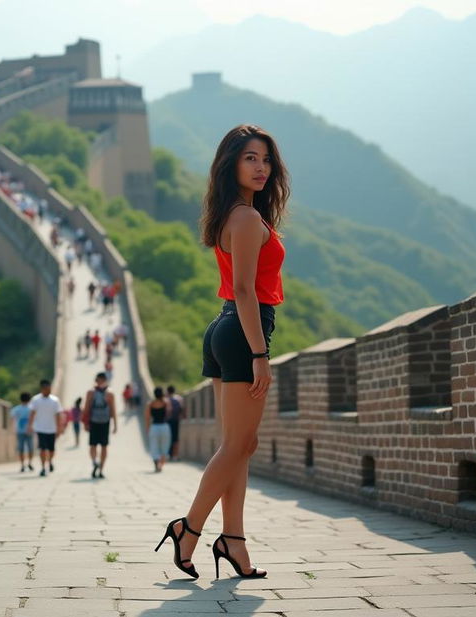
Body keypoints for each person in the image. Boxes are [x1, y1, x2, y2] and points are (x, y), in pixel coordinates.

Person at [156, 124, 287, 580]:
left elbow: (237, 292)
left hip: (225, 326)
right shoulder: (248, 219)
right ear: (231, 162)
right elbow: (248, 291)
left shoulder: (232, 214)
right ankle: (188, 529)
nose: (261, 168)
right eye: (250, 158)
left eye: (266, 159)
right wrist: (259, 354)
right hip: (244, 331)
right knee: (238, 444)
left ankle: (233, 540)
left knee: (238, 446)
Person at [82, 371, 117, 479]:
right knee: (101, 446)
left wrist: (85, 422)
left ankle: (96, 463)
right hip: (102, 422)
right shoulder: (109, 393)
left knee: (97, 445)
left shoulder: (92, 392)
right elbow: (113, 410)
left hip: (97, 422)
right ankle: (99, 466)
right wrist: (115, 424)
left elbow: (86, 408)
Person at [26, 379, 61, 477]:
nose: (48, 390)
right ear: (42, 389)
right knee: (42, 449)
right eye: (46, 388)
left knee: (51, 449)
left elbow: (58, 414)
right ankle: (43, 467)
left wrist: (59, 428)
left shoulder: (55, 400)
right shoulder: (36, 400)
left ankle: (50, 462)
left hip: (52, 428)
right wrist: (30, 425)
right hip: (40, 428)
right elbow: (32, 413)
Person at [146, 387, 172, 473]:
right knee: (165, 446)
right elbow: (169, 413)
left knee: (154, 446)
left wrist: (147, 429)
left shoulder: (150, 404)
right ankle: (161, 464)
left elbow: (147, 417)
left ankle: (156, 464)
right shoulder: (166, 402)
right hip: (164, 426)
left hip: (154, 427)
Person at [10, 392, 35, 472]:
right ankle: (30, 463)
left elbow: (12, 419)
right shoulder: (32, 408)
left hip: (20, 431)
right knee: (31, 448)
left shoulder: (16, 409)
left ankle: (22, 465)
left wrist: (13, 429)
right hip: (30, 430)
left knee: (21, 449)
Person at [166, 385, 184, 461]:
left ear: (168, 391)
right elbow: (182, 409)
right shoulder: (179, 398)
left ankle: (168, 455)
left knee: (168, 438)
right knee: (176, 438)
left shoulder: (166, 399)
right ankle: (175, 456)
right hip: (176, 420)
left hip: (167, 421)